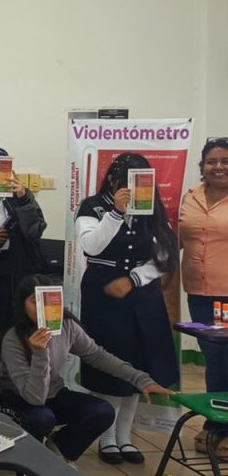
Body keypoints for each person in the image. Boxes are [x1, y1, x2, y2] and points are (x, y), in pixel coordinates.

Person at [0, 275, 174, 464]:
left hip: (53, 394)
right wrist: (40, 353)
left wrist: (142, 380)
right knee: (42, 418)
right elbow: (34, 398)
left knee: (102, 411)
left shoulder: (67, 326)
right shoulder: (13, 338)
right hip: (16, 398)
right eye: (34, 301)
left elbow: (98, 356)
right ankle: (30, 462)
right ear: (22, 305)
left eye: (51, 301)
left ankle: (58, 449)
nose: (42, 308)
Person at [75, 152, 180, 464]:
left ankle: (125, 436)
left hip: (142, 293)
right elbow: (91, 246)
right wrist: (116, 213)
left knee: (137, 365)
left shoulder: (153, 208)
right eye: (127, 180)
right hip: (104, 292)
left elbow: (166, 254)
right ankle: (107, 437)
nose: (133, 187)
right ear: (112, 180)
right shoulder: (93, 206)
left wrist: (135, 278)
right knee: (111, 363)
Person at [0, 149, 47, 358]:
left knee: (26, 330)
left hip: (20, 269)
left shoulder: (20, 197)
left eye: (2, 169)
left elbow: (35, 232)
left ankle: (28, 371)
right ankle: (1, 371)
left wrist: (23, 198)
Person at [179, 137, 228, 451]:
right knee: (214, 358)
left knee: (225, 359)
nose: (218, 167)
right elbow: (176, 240)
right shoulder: (191, 198)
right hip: (198, 294)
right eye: (212, 161)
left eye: (225, 161)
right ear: (203, 166)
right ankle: (216, 421)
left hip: (227, 296)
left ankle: (220, 427)